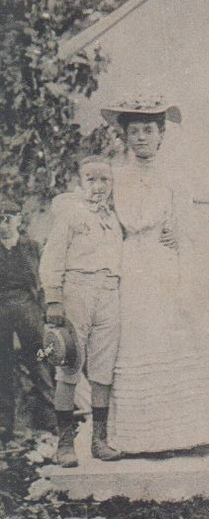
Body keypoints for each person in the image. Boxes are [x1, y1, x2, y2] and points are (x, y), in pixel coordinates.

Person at [102, 96, 209, 455]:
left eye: (148, 130)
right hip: (131, 262)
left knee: (172, 334)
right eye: (134, 131)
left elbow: (188, 225)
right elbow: (111, 222)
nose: (142, 137)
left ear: (161, 135)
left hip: (163, 264)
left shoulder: (175, 176)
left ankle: (184, 431)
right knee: (137, 338)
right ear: (125, 136)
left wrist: (180, 234)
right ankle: (142, 436)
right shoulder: (115, 176)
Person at [39, 156, 123, 467]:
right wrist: (54, 298)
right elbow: (52, 257)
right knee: (70, 365)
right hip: (78, 290)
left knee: (103, 369)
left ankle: (98, 441)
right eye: (91, 179)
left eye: (104, 180)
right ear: (80, 183)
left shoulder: (114, 219)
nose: (98, 186)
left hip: (110, 292)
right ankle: (65, 444)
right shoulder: (71, 215)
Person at [0, 196, 54, 443]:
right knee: (4, 368)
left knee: (41, 363)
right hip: (1, 314)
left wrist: (45, 314)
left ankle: (52, 422)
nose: (3, 224)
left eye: (8, 218)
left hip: (29, 313)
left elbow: (43, 284)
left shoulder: (32, 246)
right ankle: (8, 427)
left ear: (18, 219)